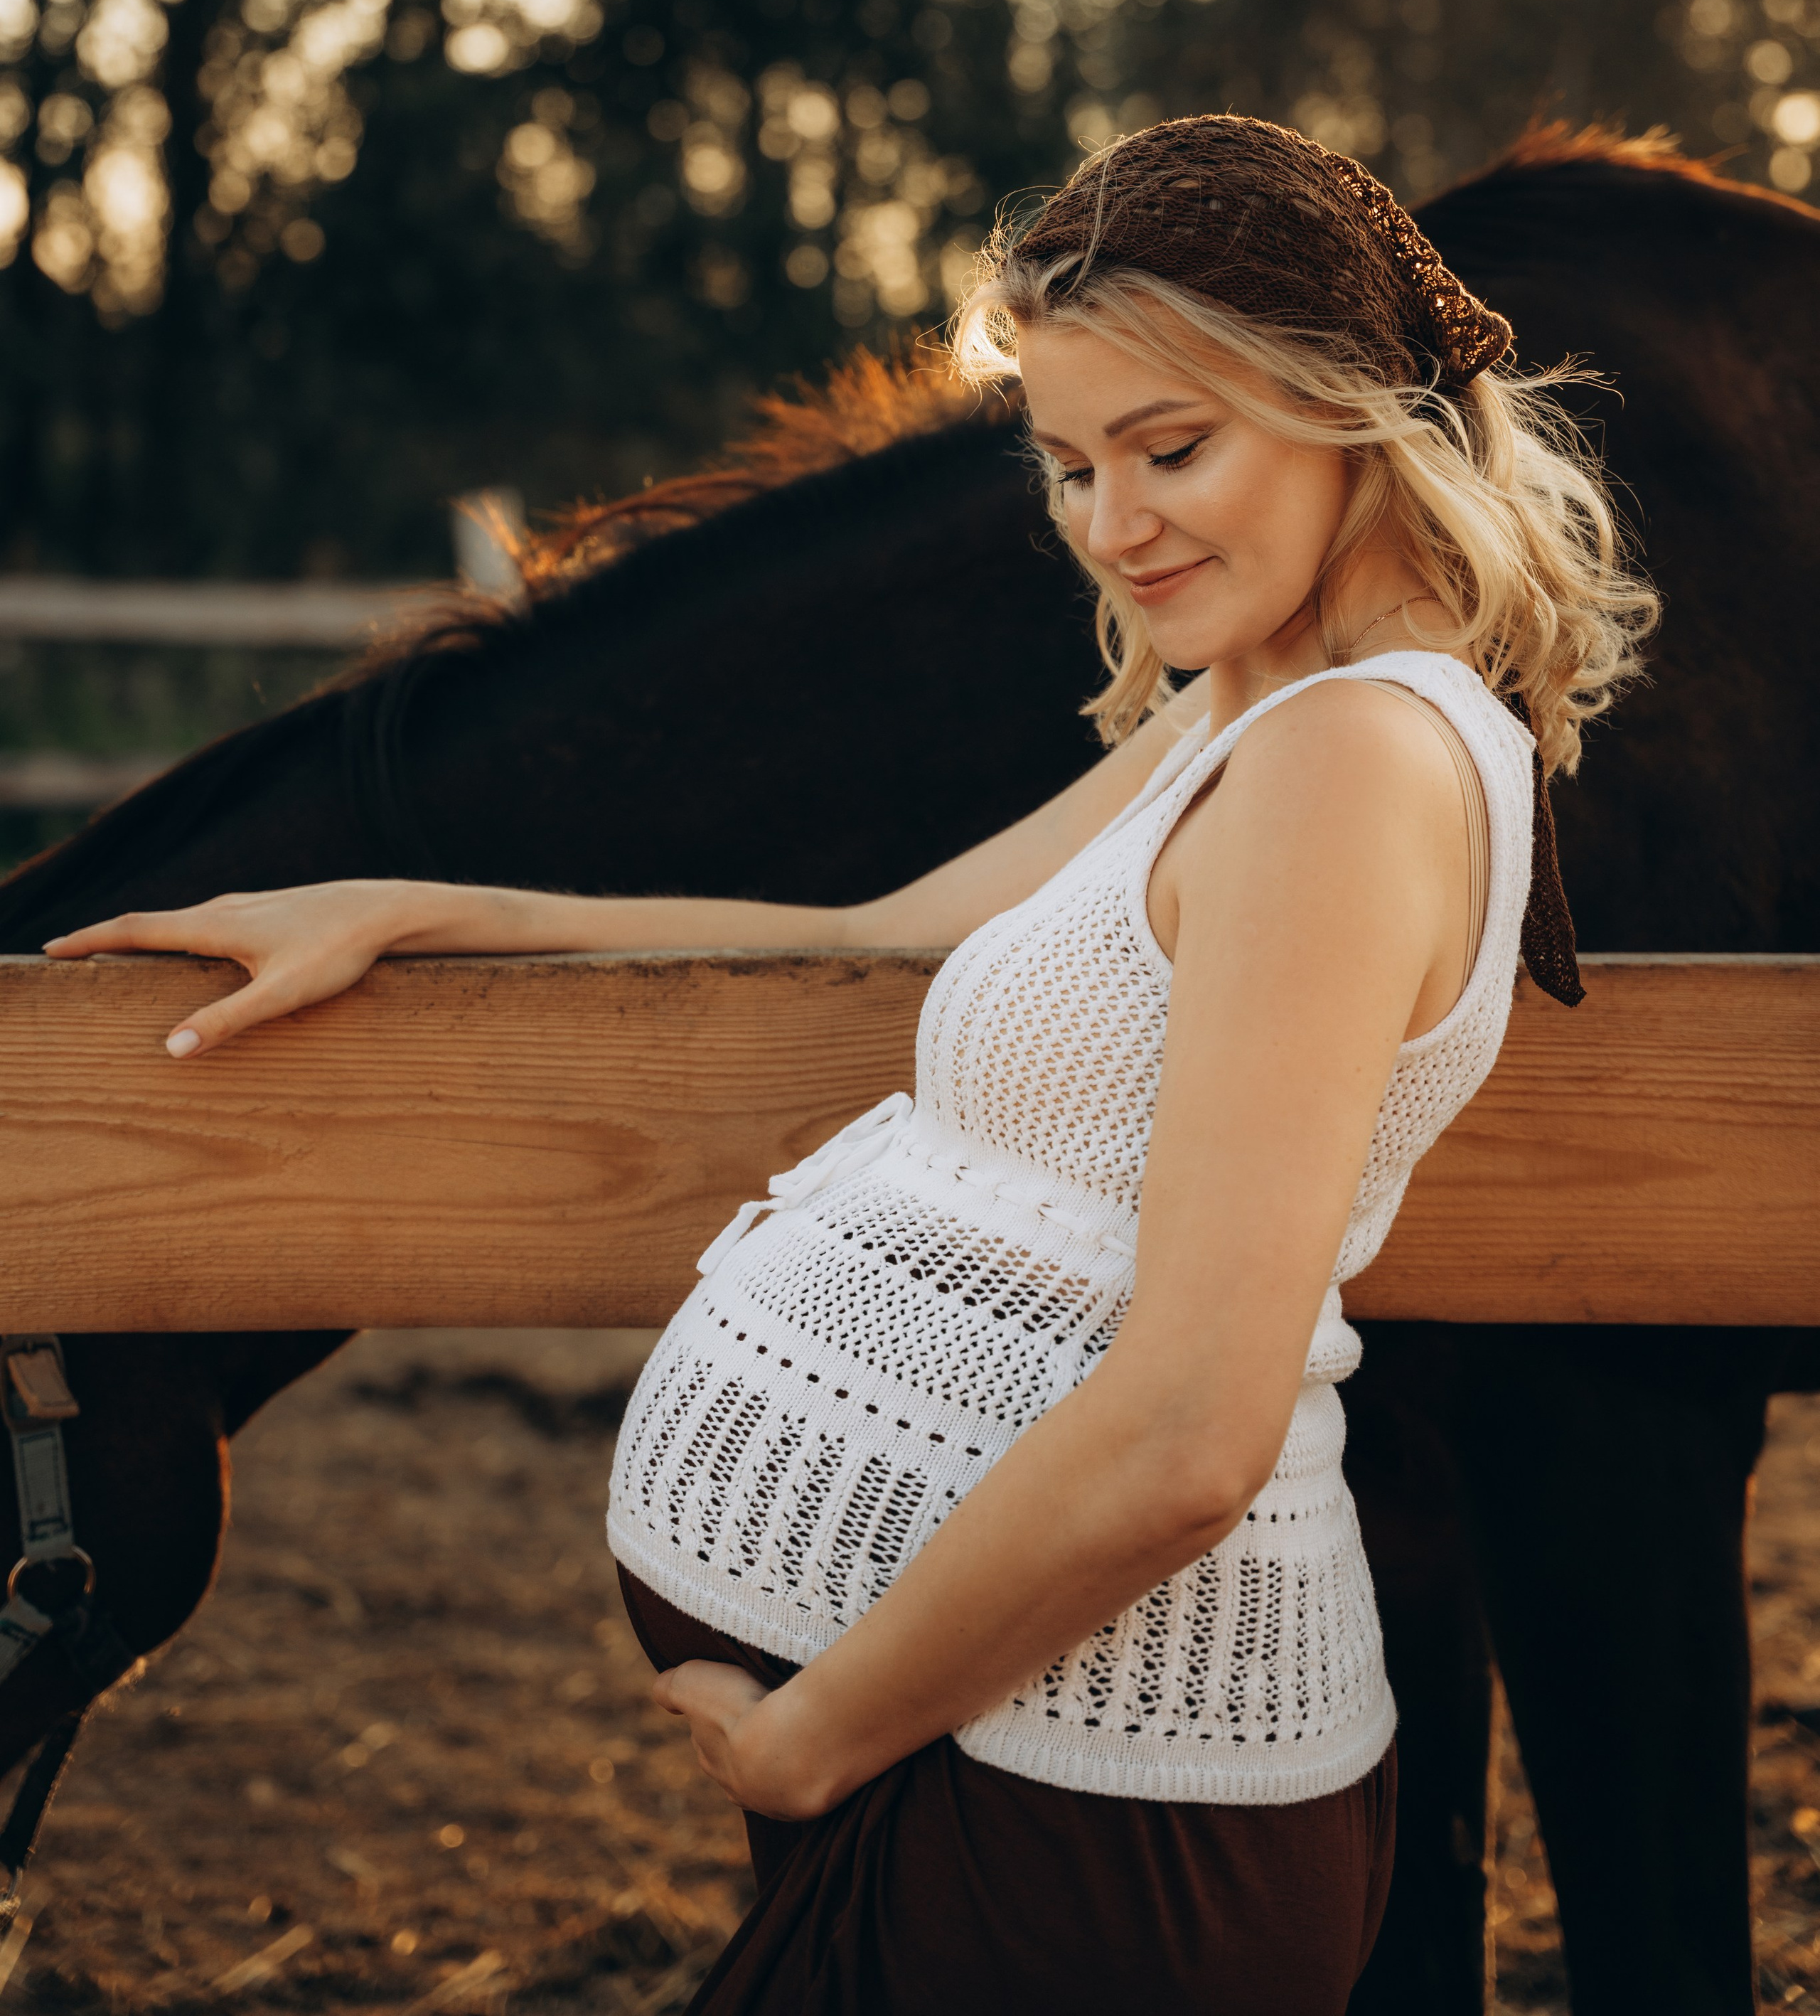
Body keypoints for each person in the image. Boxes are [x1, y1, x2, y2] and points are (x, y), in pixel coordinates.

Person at [49, 117, 1659, 2015]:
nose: (1112, 525)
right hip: (1014, 1763)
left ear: (1357, 414)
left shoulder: (1344, 768)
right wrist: (416, 906)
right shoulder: (1259, 715)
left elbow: (1195, 1436)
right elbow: (870, 932)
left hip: (1086, 1821)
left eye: (1173, 449)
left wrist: (820, 1734)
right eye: (1070, 466)